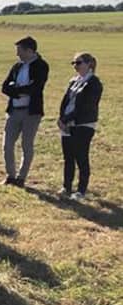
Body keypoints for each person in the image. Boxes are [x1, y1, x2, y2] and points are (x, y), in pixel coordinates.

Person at [1, 36, 49, 187]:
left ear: (29, 50)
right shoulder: (17, 66)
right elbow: (4, 87)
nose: (17, 54)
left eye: (19, 51)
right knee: (7, 144)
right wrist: (19, 91)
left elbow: (35, 88)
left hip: (31, 112)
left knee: (26, 144)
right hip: (14, 110)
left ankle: (21, 178)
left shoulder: (41, 66)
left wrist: (15, 89)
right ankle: (10, 176)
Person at [58, 53, 103, 200]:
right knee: (68, 157)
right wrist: (62, 119)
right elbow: (66, 101)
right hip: (67, 123)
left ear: (89, 64)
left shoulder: (94, 83)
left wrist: (67, 119)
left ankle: (81, 190)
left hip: (83, 124)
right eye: (74, 63)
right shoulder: (74, 81)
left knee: (81, 156)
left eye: (79, 63)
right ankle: (66, 186)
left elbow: (86, 106)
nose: (75, 66)